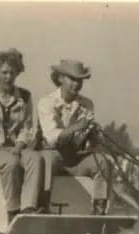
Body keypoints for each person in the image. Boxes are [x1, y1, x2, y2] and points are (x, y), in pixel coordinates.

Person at [0, 49, 43, 222]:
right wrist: (1, 148)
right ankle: (13, 211)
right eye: (4, 72)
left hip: (15, 148)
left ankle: (28, 207)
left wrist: (19, 145)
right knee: (11, 163)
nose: (8, 77)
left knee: (35, 158)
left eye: (12, 72)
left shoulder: (25, 96)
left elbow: (27, 127)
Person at [37, 59, 111, 215]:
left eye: (80, 80)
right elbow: (51, 138)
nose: (77, 84)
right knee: (50, 158)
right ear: (60, 79)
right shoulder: (46, 103)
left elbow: (87, 141)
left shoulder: (87, 104)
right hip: (54, 156)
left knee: (102, 162)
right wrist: (77, 127)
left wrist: (94, 135)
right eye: (73, 79)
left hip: (75, 159)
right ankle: (43, 205)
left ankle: (99, 208)